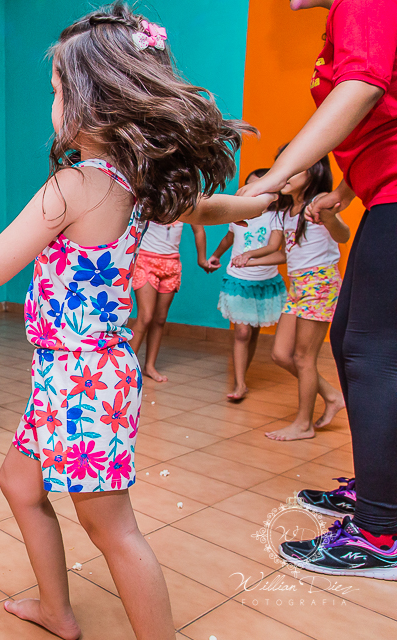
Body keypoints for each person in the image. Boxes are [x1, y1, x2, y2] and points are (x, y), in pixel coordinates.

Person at [0, 5, 273, 637]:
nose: (54, 104)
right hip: (70, 375)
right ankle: (56, 610)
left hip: (83, 379)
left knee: (111, 528)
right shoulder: (139, 182)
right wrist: (256, 201)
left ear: (94, 101)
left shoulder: (75, 185)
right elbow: (208, 207)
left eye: (58, 90)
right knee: (19, 483)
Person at [239, 0, 397, 579]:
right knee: (352, 339)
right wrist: (348, 192)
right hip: (382, 194)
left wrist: (273, 180)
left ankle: (381, 532)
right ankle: (381, 490)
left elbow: (362, 88)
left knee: (373, 354)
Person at [230, 152, 349, 441]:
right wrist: (250, 261)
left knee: (304, 357)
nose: (285, 173)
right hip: (297, 285)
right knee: (281, 354)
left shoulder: (320, 202)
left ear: (313, 172)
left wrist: (329, 217)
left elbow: (343, 235)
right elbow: (286, 253)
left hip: (319, 283)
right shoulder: (285, 212)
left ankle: (303, 425)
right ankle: (332, 396)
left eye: (294, 168)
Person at [207, 170, 287, 401]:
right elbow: (229, 238)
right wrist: (216, 255)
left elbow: (274, 246)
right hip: (238, 280)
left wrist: (249, 256)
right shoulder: (238, 216)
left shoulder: (276, 216)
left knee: (253, 332)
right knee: (242, 332)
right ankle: (239, 383)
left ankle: (243, 376)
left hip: (265, 283)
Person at [128, 221, 211, 382]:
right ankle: (127, 367)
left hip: (171, 264)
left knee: (160, 319)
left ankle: (149, 366)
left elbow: (199, 229)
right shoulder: (151, 204)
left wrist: (202, 259)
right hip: (145, 260)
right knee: (145, 317)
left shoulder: (184, 207)